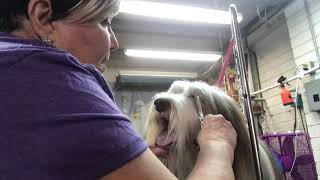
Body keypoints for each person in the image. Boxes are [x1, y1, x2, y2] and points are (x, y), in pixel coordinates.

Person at [0, 0, 237, 179]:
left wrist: (121, 159)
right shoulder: (53, 80)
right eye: (104, 22)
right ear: (42, 17)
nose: (114, 42)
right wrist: (218, 147)